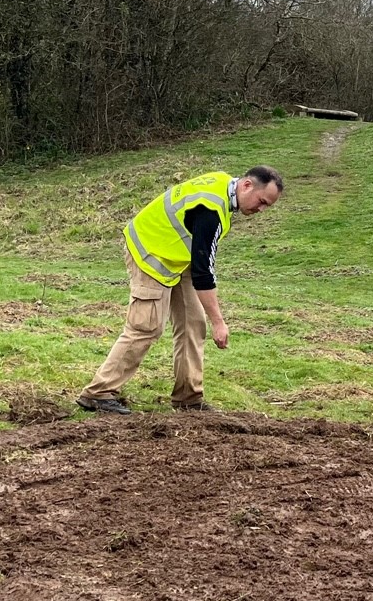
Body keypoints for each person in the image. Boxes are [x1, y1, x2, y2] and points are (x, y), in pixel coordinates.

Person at [77, 166, 284, 415]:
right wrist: (219, 322)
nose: (260, 210)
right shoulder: (211, 209)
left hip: (177, 257)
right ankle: (98, 393)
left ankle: (188, 398)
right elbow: (203, 272)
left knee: (193, 323)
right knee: (147, 326)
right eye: (262, 202)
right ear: (247, 185)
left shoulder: (223, 183)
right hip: (150, 252)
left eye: (267, 207)